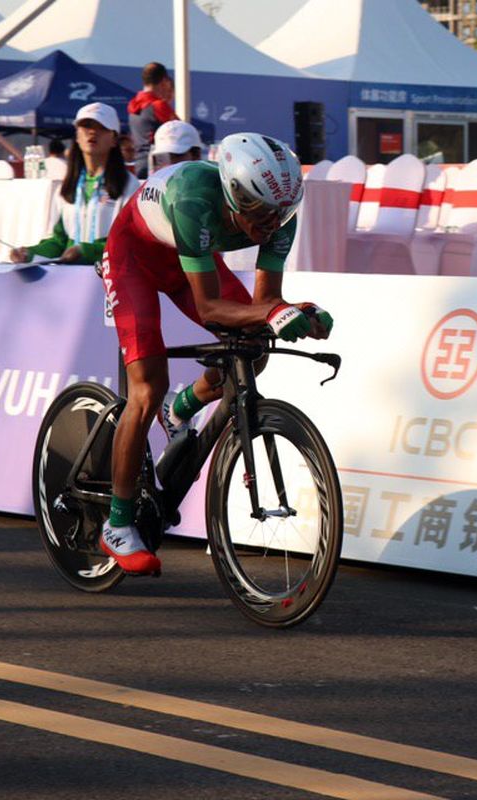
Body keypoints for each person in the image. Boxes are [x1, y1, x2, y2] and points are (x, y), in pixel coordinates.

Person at [97, 133, 333, 574]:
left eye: (282, 215)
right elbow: (208, 306)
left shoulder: (279, 213)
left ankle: (183, 407)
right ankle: (117, 523)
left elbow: (264, 303)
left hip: (193, 256)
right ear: (235, 195)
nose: (273, 225)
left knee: (254, 345)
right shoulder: (195, 200)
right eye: (262, 214)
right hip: (135, 259)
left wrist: (293, 312)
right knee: (146, 389)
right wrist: (273, 311)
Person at [10, 103, 138, 265]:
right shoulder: (67, 186)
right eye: (86, 126)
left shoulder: (129, 185)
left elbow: (130, 243)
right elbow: (58, 242)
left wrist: (86, 251)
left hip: (109, 280)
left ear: (114, 139)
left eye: (101, 127)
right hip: (70, 280)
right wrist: (29, 253)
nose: (92, 132)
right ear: (77, 136)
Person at [128, 61, 178, 179]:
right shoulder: (158, 106)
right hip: (157, 168)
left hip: (139, 166)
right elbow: (181, 131)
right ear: (164, 81)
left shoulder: (133, 105)